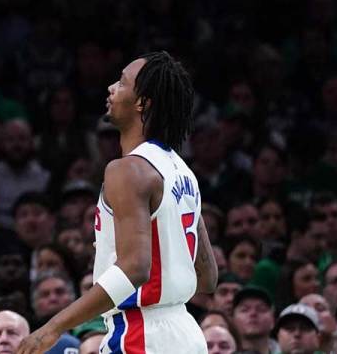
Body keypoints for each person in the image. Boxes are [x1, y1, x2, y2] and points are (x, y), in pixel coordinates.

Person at [17, 53, 218, 353]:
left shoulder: (127, 169)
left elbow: (134, 269)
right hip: (186, 333)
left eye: (122, 82)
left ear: (143, 103)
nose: (111, 87)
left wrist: (52, 327)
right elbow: (208, 277)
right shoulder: (183, 172)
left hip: (141, 335)